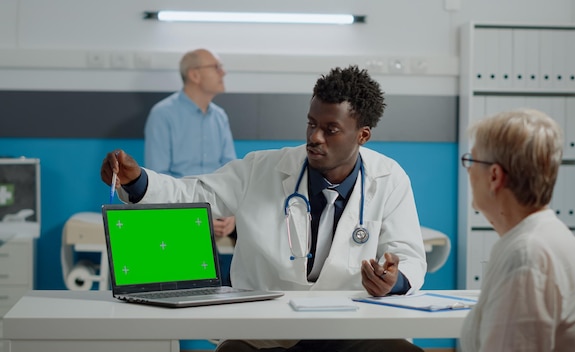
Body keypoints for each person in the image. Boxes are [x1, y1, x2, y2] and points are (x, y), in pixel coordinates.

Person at [101, 66, 427, 352]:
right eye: (311, 123)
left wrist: (394, 281)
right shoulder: (262, 168)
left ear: (363, 135)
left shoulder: (389, 178)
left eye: (331, 129)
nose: (315, 137)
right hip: (266, 331)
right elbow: (192, 192)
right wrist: (137, 181)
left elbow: (408, 256)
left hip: (350, 327)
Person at [459, 109, 575, 351]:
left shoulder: (526, 254)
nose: (469, 170)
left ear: (494, 176)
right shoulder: (544, 236)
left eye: (471, 160)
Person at [143, 49, 237, 283]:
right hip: (180, 212)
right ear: (195, 75)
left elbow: (233, 173)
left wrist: (233, 213)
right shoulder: (163, 115)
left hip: (218, 207)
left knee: (259, 231)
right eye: (216, 67)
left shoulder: (220, 117)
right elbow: (159, 182)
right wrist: (199, 216)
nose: (223, 72)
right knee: (196, 250)